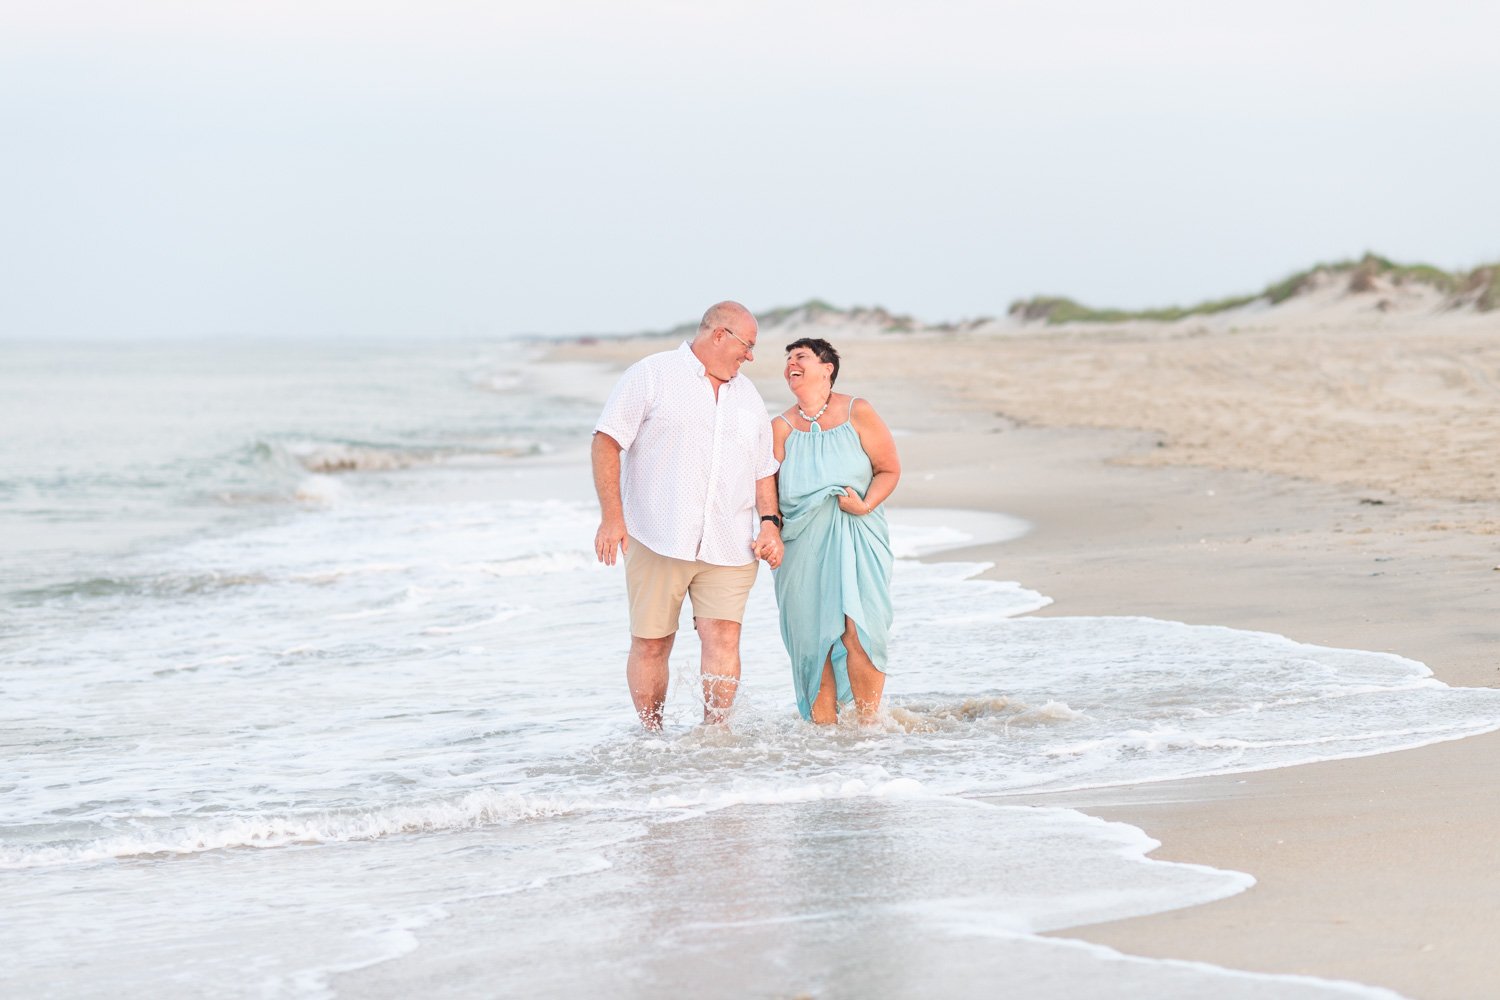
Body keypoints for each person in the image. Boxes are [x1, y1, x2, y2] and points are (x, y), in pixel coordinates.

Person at [592, 301, 784, 730]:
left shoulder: (748, 395)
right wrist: (612, 518)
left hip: (730, 541)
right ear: (720, 335)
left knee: (724, 638)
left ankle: (714, 734)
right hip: (659, 534)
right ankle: (652, 735)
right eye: (747, 345)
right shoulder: (652, 374)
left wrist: (769, 524)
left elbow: (763, 468)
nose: (750, 356)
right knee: (652, 644)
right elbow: (606, 441)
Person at [771, 338, 900, 724]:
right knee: (812, 641)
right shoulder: (779, 427)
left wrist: (865, 504)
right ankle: (822, 740)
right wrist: (769, 531)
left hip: (859, 532)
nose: (791, 364)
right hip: (801, 545)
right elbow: (765, 490)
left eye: (801, 357)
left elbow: (889, 469)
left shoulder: (857, 411)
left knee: (860, 630)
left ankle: (868, 729)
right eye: (788, 359)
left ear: (827, 368)